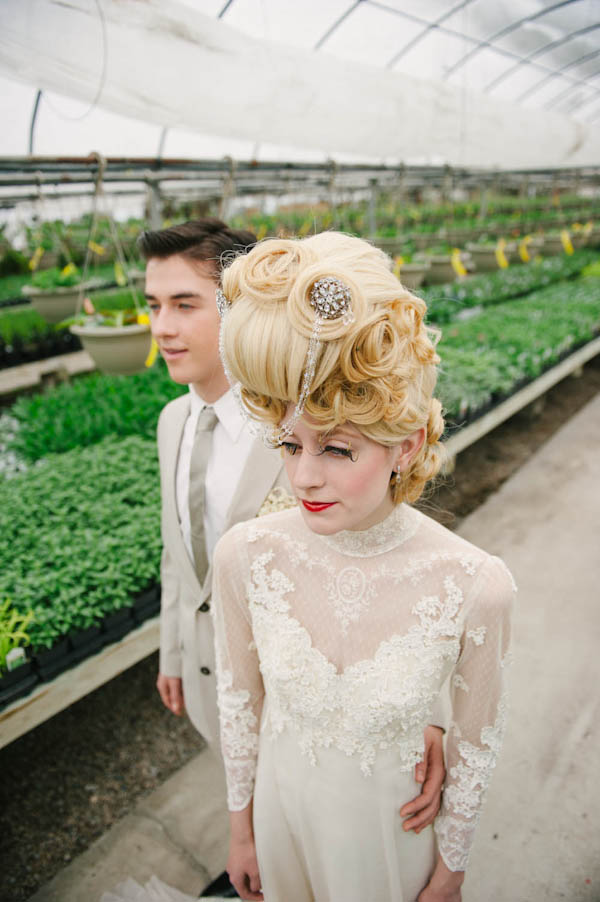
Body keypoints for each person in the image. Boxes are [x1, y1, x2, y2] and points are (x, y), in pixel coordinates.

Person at [104, 221, 445, 901]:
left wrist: (428, 710)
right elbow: (181, 549)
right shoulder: (172, 421)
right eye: (152, 306)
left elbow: (391, 561)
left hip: (316, 695)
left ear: (237, 307)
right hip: (214, 682)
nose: (162, 327)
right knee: (256, 828)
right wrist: (173, 652)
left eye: (184, 304)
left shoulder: (307, 428)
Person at [209, 232, 516, 901]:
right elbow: (239, 706)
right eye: (289, 443)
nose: (303, 475)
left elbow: (474, 750)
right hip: (280, 818)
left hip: (391, 841)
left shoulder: (475, 585)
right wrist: (241, 833)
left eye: (338, 450)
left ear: (405, 445)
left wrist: (449, 874)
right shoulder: (248, 556)